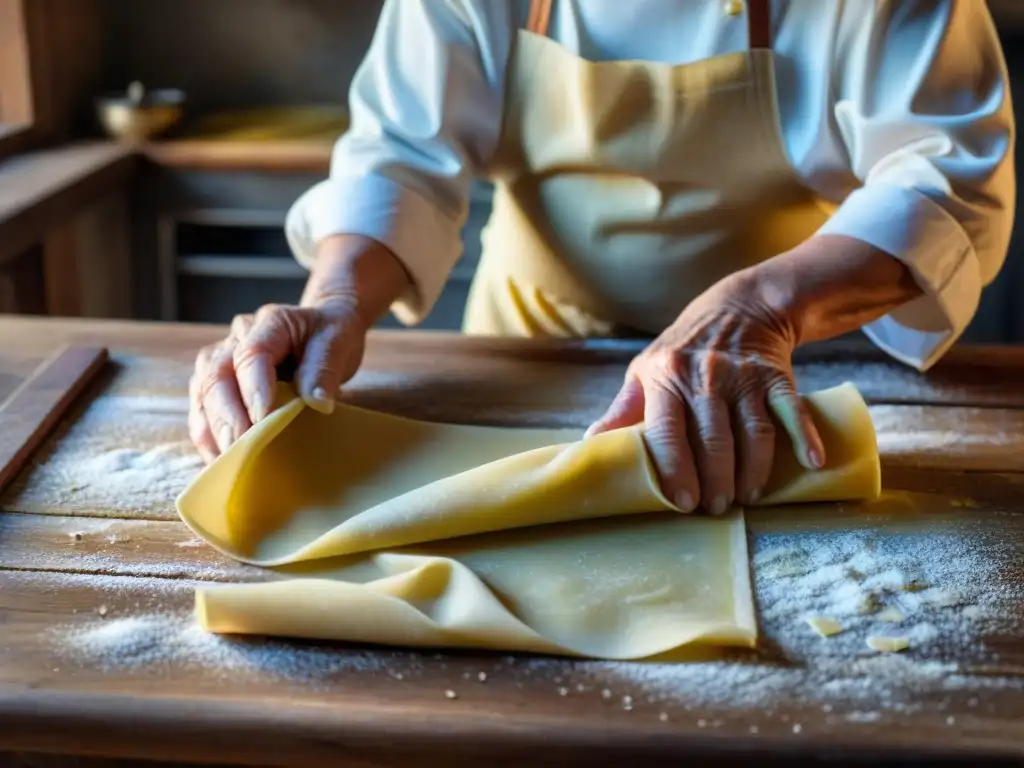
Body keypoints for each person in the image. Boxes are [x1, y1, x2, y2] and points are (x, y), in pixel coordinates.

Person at [189, 0, 1015, 515]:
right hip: (532, 367)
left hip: (770, 381)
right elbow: (399, 155)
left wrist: (758, 312)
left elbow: (948, 182)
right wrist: (334, 298)